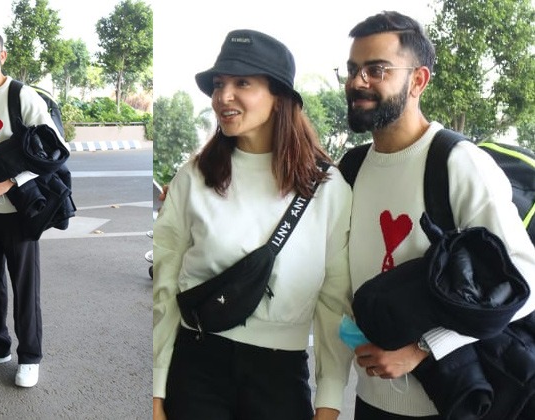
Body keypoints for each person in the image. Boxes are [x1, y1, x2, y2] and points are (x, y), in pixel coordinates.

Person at [338, 11, 535, 418]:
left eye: (377, 69)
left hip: (444, 405)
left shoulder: (457, 161)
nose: (358, 81)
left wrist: (423, 348)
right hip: (369, 403)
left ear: (418, 80)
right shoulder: (351, 168)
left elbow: (526, 283)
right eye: (354, 69)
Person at [153, 29, 354, 420]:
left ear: (279, 97)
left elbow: (334, 301)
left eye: (242, 82)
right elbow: (165, 285)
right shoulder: (194, 177)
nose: (222, 96)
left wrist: (328, 401)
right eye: (218, 84)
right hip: (197, 367)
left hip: (279, 376)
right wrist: (157, 390)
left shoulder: (327, 189)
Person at [0, 24, 62, 388]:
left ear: (2, 55)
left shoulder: (22, 96)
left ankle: (30, 355)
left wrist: (10, 182)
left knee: (24, 287)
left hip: (20, 212)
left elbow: (54, 151)